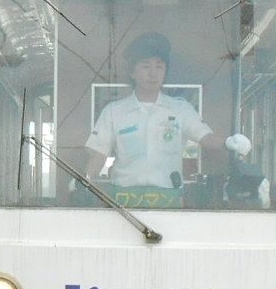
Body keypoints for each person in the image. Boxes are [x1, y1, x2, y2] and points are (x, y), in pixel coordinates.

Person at [85, 31, 252, 189]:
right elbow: (99, 153)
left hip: (168, 202)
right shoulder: (114, 112)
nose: (153, 73)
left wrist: (229, 142)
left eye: (159, 67)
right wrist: (85, 180)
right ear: (132, 72)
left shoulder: (180, 109)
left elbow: (206, 138)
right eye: (145, 66)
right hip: (124, 199)